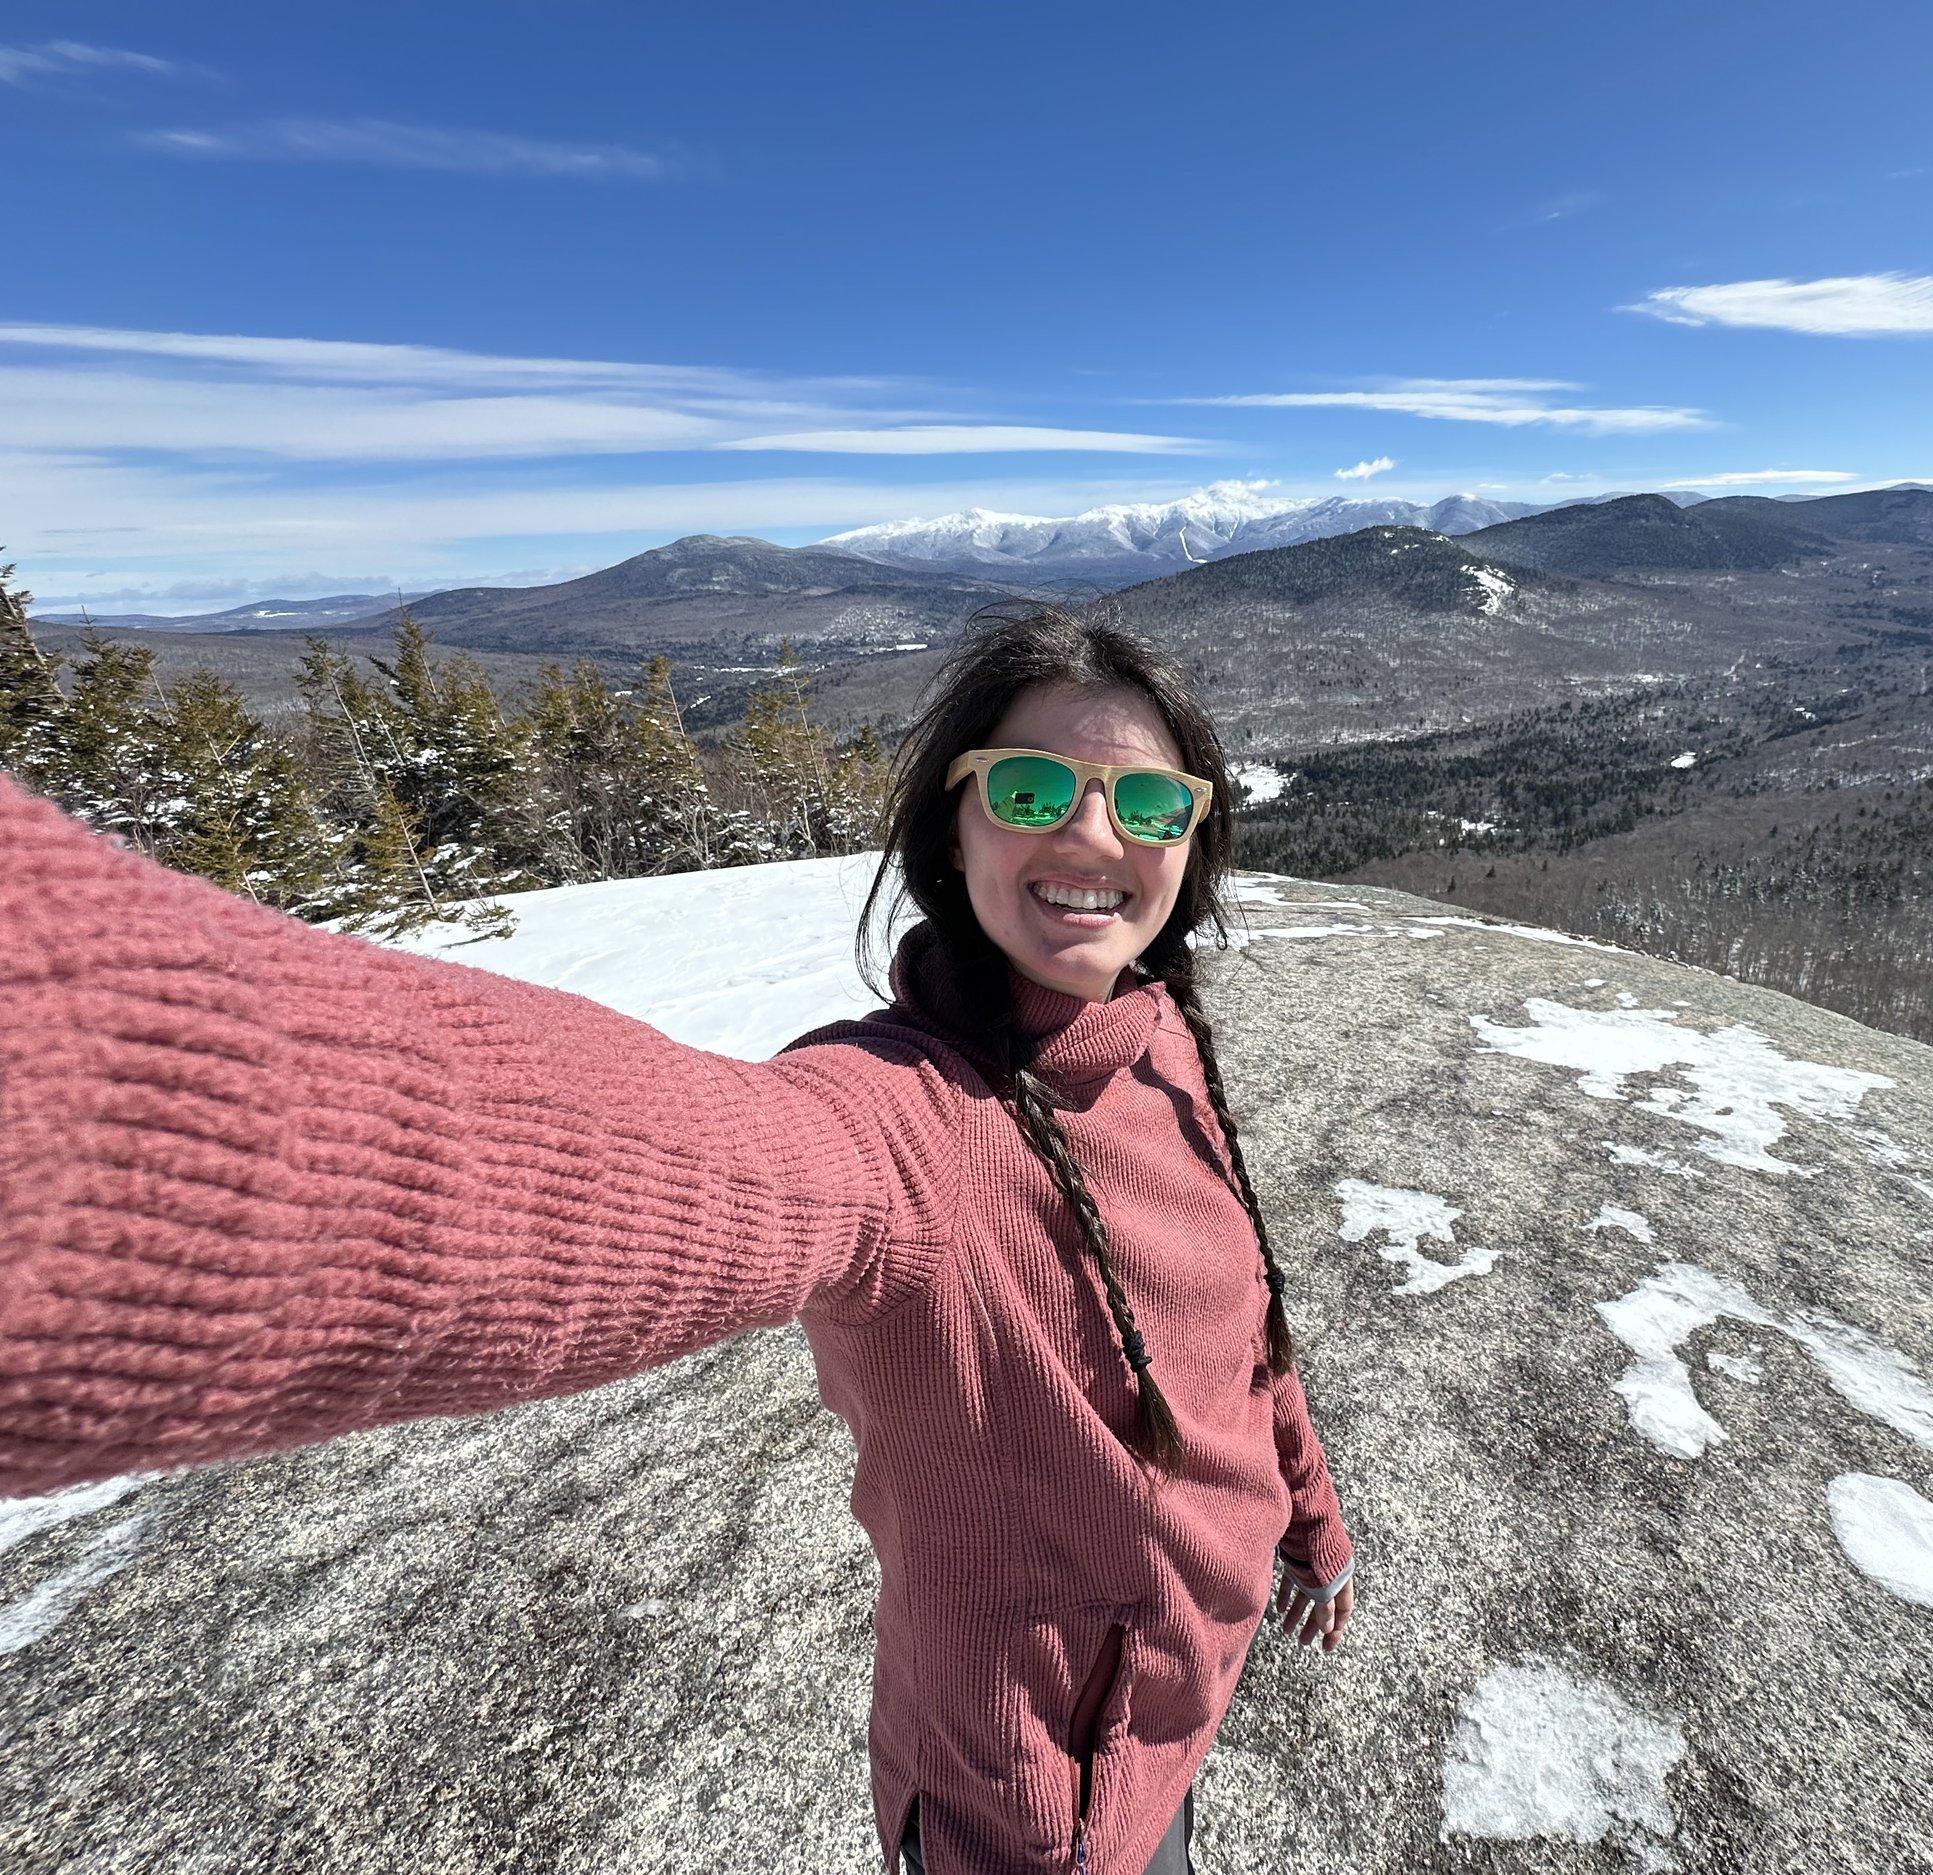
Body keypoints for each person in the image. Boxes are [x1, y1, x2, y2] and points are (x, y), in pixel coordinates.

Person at [0, 606, 1357, 1875]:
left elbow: (1236, 1328)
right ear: (955, 829)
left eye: (1149, 800)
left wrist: (1306, 1515)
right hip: (1026, 1808)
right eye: (1031, 789)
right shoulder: (902, 1126)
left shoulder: (1166, 1037)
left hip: (1185, 1710)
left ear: (1193, 841)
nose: (1095, 835)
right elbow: (653, 1164)